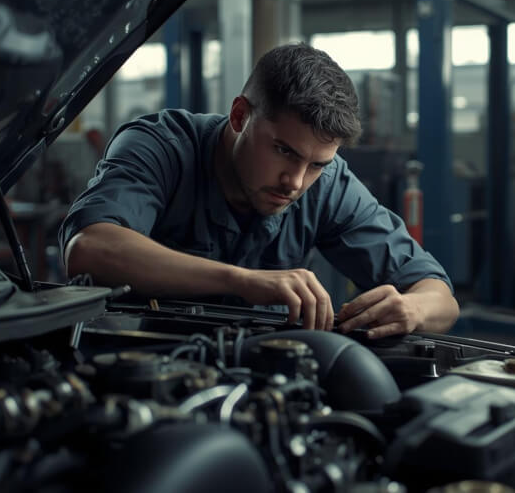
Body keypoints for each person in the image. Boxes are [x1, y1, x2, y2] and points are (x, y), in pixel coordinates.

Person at [59, 43, 459, 339]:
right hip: (136, 368)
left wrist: (411, 308)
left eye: (317, 164)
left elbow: (440, 296)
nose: (296, 182)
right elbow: (90, 248)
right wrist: (243, 280)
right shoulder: (161, 146)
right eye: (283, 150)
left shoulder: (331, 183)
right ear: (239, 115)